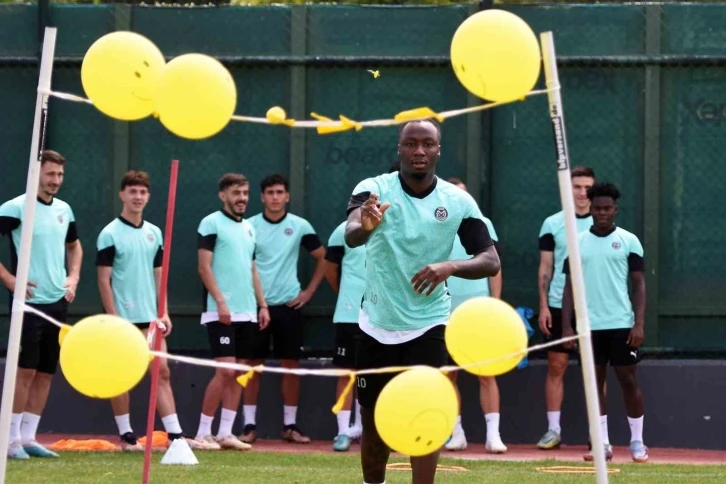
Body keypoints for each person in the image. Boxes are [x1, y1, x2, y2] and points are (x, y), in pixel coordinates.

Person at [346, 119, 500, 484]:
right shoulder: (373, 190)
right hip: (376, 323)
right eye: (411, 143)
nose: (419, 150)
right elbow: (352, 234)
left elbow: (490, 260)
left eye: (427, 144)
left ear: (438, 150)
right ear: (399, 149)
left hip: (429, 324)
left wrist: (450, 266)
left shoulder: (457, 201)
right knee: (373, 424)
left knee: (426, 419)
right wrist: (364, 225)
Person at [96, 170, 215, 452]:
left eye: (142, 192)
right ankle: (127, 436)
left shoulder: (154, 233)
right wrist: (114, 318)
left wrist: (164, 312)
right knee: (122, 375)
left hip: (151, 319)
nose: (137, 197)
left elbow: (159, 274)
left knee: (161, 372)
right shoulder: (109, 234)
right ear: (122, 195)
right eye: (132, 192)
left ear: (148, 196)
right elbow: (103, 280)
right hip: (123, 320)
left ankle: (175, 435)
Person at [0, 150, 83, 459]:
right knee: (25, 371)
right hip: (28, 305)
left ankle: (29, 438)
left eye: (60, 175)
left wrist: (73, 278)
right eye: (50, 174)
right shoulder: (15, 208)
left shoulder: (64, 209)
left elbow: (75, 247)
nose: (55, 180)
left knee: (47, 371)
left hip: (57, 303)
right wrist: (10, 279)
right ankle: (10, 441)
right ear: (36, 174)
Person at [561, 182, 647, 463]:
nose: (602, 213)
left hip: (621, 325)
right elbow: (569, 287)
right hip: (588, 328)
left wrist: (638, 324)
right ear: (591, 209)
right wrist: (567, 327)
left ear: (615, 209)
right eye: (597, 208)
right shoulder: (577, 242)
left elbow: (639, 285)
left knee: (628, 381)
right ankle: (603, 444)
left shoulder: (629, 240)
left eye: (607, 208)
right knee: (594, 385)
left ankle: (637, 442)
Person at [244, 174, 327, 444]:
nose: (275, 197)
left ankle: (290, 426)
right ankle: (248, 426)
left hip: (288, 307)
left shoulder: (300, 226)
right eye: (270, 193)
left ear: (287, 196)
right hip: (256, 307)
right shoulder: (249, 226)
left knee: (290, 365)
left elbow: (323, 257)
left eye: (280, 192)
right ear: (262, 197)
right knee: (252, 366)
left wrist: (308, 292)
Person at [195, 173, 269, 451]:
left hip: (247, 312)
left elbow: (252, 269)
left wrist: (262, 305)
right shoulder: (211, 223)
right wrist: (220, 302)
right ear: (223, 195)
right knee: (225, 371)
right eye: (236, 193)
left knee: (238, 372)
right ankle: (202, 433)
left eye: (245, 193)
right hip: (220, 311)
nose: (242, 198)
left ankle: (225, 432)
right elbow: (204, 267)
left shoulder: (249, 228)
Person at [443, 177, 506, 454]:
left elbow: (495, 266)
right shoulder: (435, 223)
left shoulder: (483, 223)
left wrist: (495, 303)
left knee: (486, 373)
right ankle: (456, 434)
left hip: (479, 313)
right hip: (443, 312)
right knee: (448, 376)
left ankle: (494, 436)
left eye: (464, 194)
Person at [536, 165, 595, 450]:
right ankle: (553, 430)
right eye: (577, 187)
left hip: (596, 308)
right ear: (567, 189)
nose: (583, 193)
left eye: (587, 188)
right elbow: (545, 267)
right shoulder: (552, 224)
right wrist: (544, 306)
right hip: (559, 305)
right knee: (556, 366)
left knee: (596, 370)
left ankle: (598, 434)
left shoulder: (603, 223)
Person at [324, 220, 365, 452]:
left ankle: (363, 428)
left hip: (381, 316)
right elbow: (330, 269)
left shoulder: (392, 227)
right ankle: (342, 431)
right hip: (349, 316)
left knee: (372, 375)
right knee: (347, 374)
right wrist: (347, 295)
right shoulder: (342, 230)